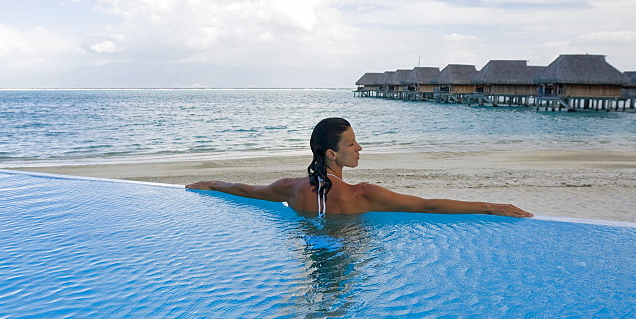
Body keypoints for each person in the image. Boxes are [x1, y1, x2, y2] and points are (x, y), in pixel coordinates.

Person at [185, 117, 533, 218]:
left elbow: (248, 191)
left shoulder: (292, 188)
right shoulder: (361, 195)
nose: (359, 148)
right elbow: (428, 206)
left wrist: (213, 183)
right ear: (331, 154)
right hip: (343, 259)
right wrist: (490, 206)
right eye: (351, 144)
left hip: (310, 254)